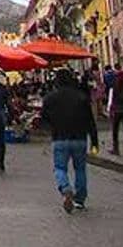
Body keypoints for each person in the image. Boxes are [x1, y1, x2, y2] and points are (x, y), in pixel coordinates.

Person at [41, 69, 99, 213]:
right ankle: (79, 199)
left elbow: (44, 118)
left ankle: (66, 188)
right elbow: (90, 120)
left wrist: (53, 125)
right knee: (80, 169)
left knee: (60, 168)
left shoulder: (50, 98)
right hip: (80, 138)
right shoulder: (81, 97)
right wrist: (95, 141)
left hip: (60, 137)